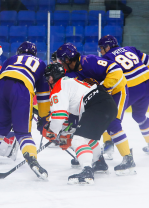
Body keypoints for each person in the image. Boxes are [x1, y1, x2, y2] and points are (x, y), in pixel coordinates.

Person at [56, 43, 136, 175]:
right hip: (98, 97)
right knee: (87, 123)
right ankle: (97, 159)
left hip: (116, 91)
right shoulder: (70, 74)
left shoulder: (90, 61)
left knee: (112, 123)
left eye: (61, 61)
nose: (61, 64)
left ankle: (128, 158)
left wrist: (104, 88)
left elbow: (116, 70)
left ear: (68, 60)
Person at [0, 42, 50, 180]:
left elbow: (0, 78)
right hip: (21, 88)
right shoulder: (41, 63)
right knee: (22, 132)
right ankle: (32, 160)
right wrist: (44, 118)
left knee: (1, 127)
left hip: (0, 88)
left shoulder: (11, 59)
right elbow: (43, 95)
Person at [43, 63, 118, 184]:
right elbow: (66, 116)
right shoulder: (70, 81)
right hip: (108, 104)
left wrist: (52, 132)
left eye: (48, 77)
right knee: (86, 137)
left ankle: (87, 170)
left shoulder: (58, 88)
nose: (47, 80)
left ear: (52, 77)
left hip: (96, 106)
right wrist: (61, 132)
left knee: (78, 140)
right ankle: (99, 162)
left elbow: (59, 116)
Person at [98, 35, 149, 157]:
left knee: (108, 115)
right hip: (147, 85)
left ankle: (108, 145)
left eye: (101, 48)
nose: (100, 51)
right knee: (139, 116)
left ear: (108, 47)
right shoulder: (131, 48)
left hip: (130, 88)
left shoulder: (107, 57)